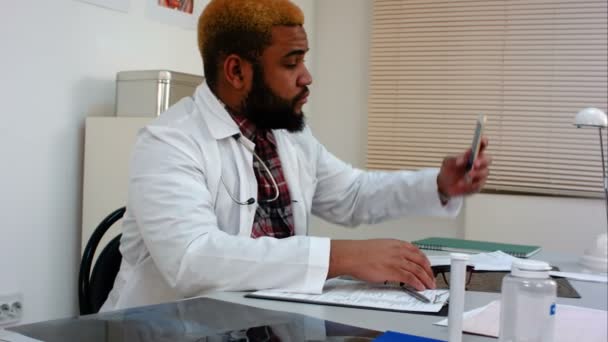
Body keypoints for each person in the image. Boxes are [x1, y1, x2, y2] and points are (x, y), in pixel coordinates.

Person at [101, 0, 491, 311]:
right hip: (164, 329)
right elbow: (192, 259)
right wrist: (340, 256)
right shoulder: (168, 142)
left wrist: (438, 185)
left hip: (262, 321)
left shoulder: (286, 134)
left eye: (303, 59)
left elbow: (352, 194)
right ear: (236, 71)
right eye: (292, 62)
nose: (307, 76)